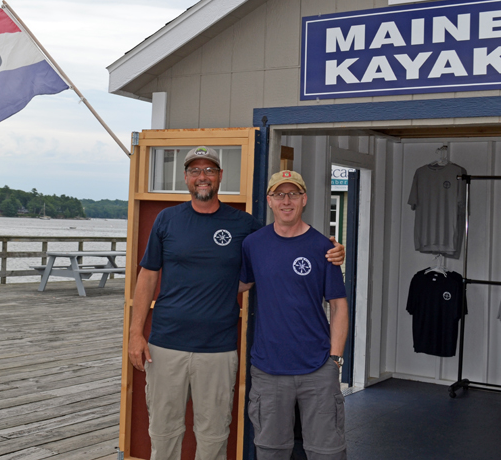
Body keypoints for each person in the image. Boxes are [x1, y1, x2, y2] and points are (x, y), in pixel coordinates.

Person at [128, 147, 345, 460]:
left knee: (214, 433)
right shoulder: (166, 220)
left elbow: (287, 238)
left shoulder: (245, 227)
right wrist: (136, 333)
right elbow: (147, 276)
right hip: (165, 345)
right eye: (195, 171)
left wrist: (333, 249)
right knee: (163, 431)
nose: (202, 177)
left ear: (220, 177)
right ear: (186, 178)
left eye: (209, 171)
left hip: (218, 348)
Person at [239, 170, 348, 460]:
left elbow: (338, 305)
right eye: (279, 194)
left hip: (317, 368)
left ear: (304, 199)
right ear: (269, 201)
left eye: (293, 194)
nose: (286, 201)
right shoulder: (253, 244)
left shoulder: (324, 248)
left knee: (327, 452)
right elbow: (240, 283)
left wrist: (335, 359)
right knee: (271, 452)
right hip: (268, 370)